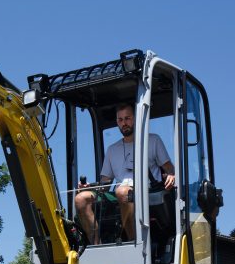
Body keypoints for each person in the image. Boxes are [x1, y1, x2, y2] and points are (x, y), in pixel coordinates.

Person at [74, 103, 176, 243]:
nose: (124, 123)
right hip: (119, 194)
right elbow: (104, 185)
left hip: (147, 191)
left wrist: (171, 174)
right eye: (120, 120)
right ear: (117, 122)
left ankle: (134, 242)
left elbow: (169, 168)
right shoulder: (112, 150)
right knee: (81, 199)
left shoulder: (153, 140)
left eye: (127, 118)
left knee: (122, 192)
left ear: (135, 119)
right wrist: (90, 187)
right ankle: (96, 244)